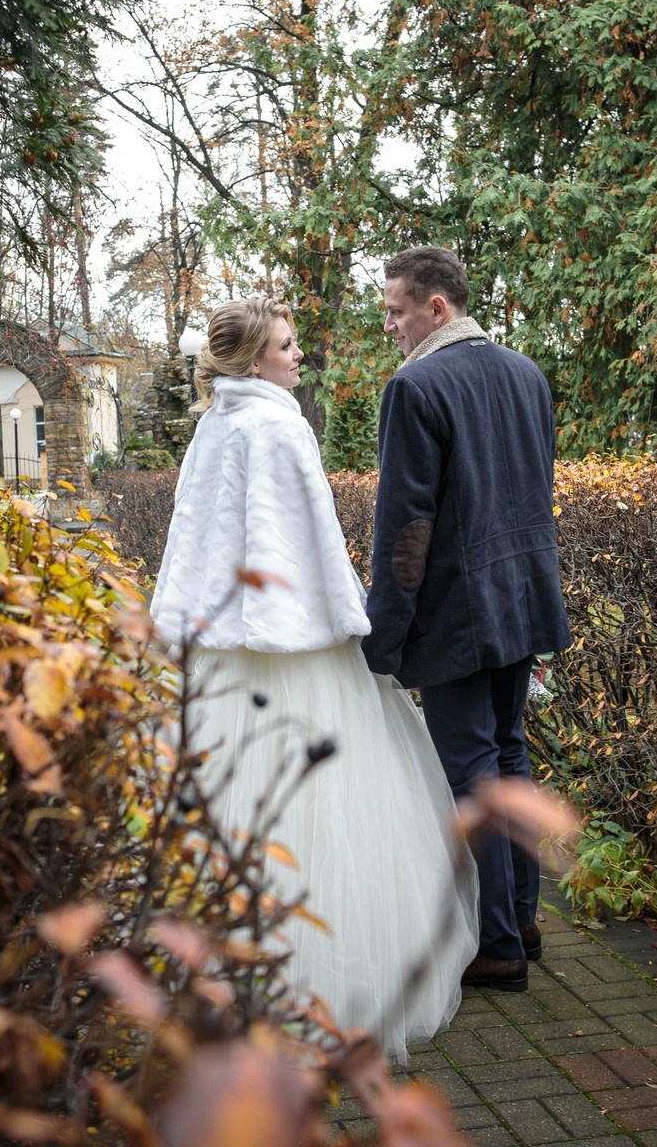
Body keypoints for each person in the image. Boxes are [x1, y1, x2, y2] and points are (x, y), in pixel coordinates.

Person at [151, 297, 478, 1062]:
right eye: (286, 346)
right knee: (326, 811)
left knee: (231, 807)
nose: (298, 358)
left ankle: (218, 981)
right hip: (295, 648)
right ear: (253, 359)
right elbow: (314, 536)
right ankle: (317, 987)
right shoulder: (281, 424)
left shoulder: (214, 426)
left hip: (224, 651)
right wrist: (349, 616)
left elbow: (189, 537)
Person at [362, 246, 571, 993]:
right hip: (524, 600)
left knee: (475, 776)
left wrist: (383, 631)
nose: (390, 324)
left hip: (458, 614)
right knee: (509, 759)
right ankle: (519, 921)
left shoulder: (417, 385)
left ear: (437, 307)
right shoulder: (527, 374)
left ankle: (497, 947)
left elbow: (407, 526)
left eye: (395, 310)